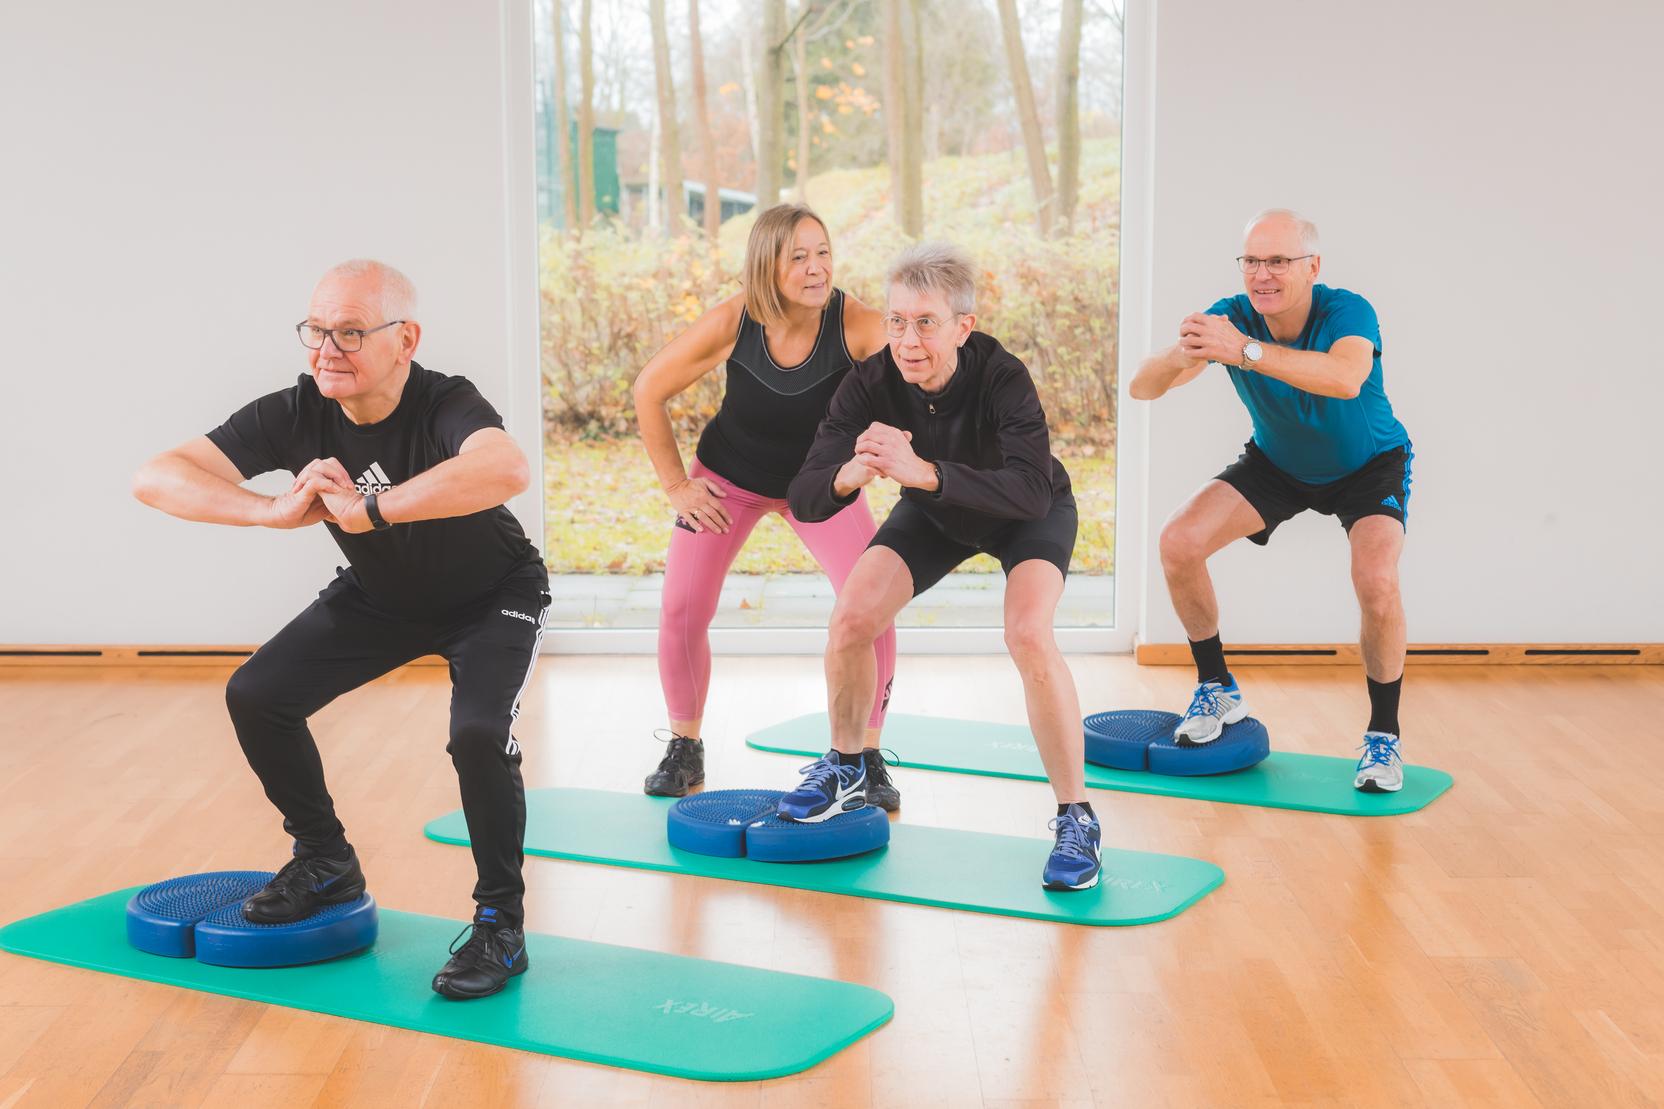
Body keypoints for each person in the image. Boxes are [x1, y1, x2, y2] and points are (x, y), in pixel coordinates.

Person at [131, 259, 547, 999]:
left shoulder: (445, 402)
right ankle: (325, 860)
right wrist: (268, 510)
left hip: (492, 595)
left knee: (478, 733)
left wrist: (375, 509)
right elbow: (158, 474)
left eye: (350, 332)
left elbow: (506, 468)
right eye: (316, 330)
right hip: (381, 595)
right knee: (257, 693)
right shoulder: (298, 410)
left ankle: (500, 924)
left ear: (404, 338)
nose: (327, 349)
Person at [786, 242, 1101, 891]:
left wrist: (922, 472)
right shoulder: (872, 381)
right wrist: (849, 473)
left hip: (1025, 512)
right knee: (851, 617)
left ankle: (1078, 815)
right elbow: (804, 494)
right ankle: (847, 761)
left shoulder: (1002, 376)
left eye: (926, 323)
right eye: (897, 321)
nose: (908, 339)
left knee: (1028, 633)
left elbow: (1030, 491)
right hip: (935, 513)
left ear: (963, 325)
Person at [1130, 208, 1413, 792]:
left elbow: (1344, 378)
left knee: (1377, 583)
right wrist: (1180, 358)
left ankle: (1383, 735)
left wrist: (1245, 352)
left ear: (1312, 267)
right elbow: (1143, 387)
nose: (1263, 274)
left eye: (1278, 261)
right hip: (1278, 463)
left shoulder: (1346, 310)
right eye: (1253, 261)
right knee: (1179, 542)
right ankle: (1216, 688)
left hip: (1368, 465)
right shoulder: (1229, 317)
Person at [632, 204, 901, 808]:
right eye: (798, 257)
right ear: (766, 266)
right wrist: (678, 486)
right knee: (680, 608)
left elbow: (922, 371)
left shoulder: (855, 324)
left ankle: (868, 754)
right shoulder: (735, 320)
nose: (816, 268)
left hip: (821, 485)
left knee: (871, 606)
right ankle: (685, 745)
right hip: (731, 476)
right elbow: (648, 389)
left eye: (823, 252)